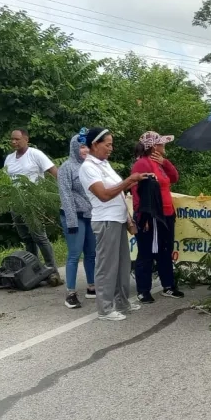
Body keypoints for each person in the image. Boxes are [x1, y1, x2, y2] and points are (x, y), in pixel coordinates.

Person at [78, 127, 150, 321]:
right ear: (95, 144)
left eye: (111, 145)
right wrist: (129, 180)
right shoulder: (88, 168)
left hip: (118, 219)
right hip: (106, 220)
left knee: (122, 265)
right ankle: (105, 309)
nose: (111, 148)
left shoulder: (104, 164)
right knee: (107, 267)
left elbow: (119, 195)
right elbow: (104, 195)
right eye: (108, 145)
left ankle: (122, 303)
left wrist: (129, 219)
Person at [130, 131, 184, 304]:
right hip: (151, 215)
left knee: (165, 250)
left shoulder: (159, 163)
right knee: (146, 252)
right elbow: (136, 190)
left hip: (166, 213)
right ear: (154, 146)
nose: (164, 145)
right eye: (161, 143)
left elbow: (174, 178)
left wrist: (165, 162)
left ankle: (168, 285)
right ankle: (143, 290)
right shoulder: (142, 164)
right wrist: (143, 216)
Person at [4, 128, 61, 282]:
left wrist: (62, 190)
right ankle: (34, 270)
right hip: (16, 203)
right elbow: (6, 180)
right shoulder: (9, 158)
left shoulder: (35, 154)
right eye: (12, 139)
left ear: (26, 139)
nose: (14, 142)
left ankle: (52, 270)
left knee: (39, 236)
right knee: (26, 238)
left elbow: (54, 171)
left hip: (33, 202)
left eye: (17, 139)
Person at [57, 129, 96, 309]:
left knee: (91, 253)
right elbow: (65, 195)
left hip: (90, 215)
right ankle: (70, 293)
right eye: (81, 147)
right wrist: (72, 221)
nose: (85, 150)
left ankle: (92, 286)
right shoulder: (66, 167)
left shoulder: (92, 166)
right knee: (74, 254)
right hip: (73, 216)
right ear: (74, 148)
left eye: (87, 146)